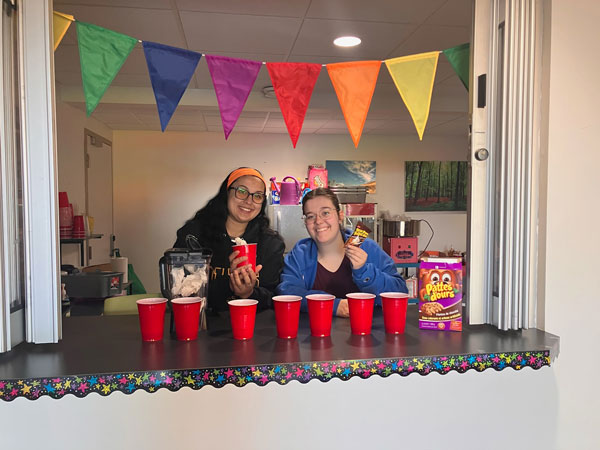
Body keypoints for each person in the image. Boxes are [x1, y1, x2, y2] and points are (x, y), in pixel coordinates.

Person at [277, 187, 407, 317]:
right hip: (316, 333)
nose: (318, 221)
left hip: (366, 331)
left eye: (326, 213)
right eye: (310, 216)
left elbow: (400, 292)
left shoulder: (367, 247)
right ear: (306, 222)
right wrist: (333, 305)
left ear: (340, 216)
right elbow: (287, 293)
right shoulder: (299, 254)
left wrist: (365, 272)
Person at [174, 167, 285, 312]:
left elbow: (273, 298)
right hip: (201, 323)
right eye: (242, 191)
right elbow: (178, 288)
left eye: (257, 195)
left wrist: (249, 293)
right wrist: (228, 284)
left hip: (254, 326)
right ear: (226, 193)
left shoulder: (270, 243)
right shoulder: (194, 235)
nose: (249, 201)